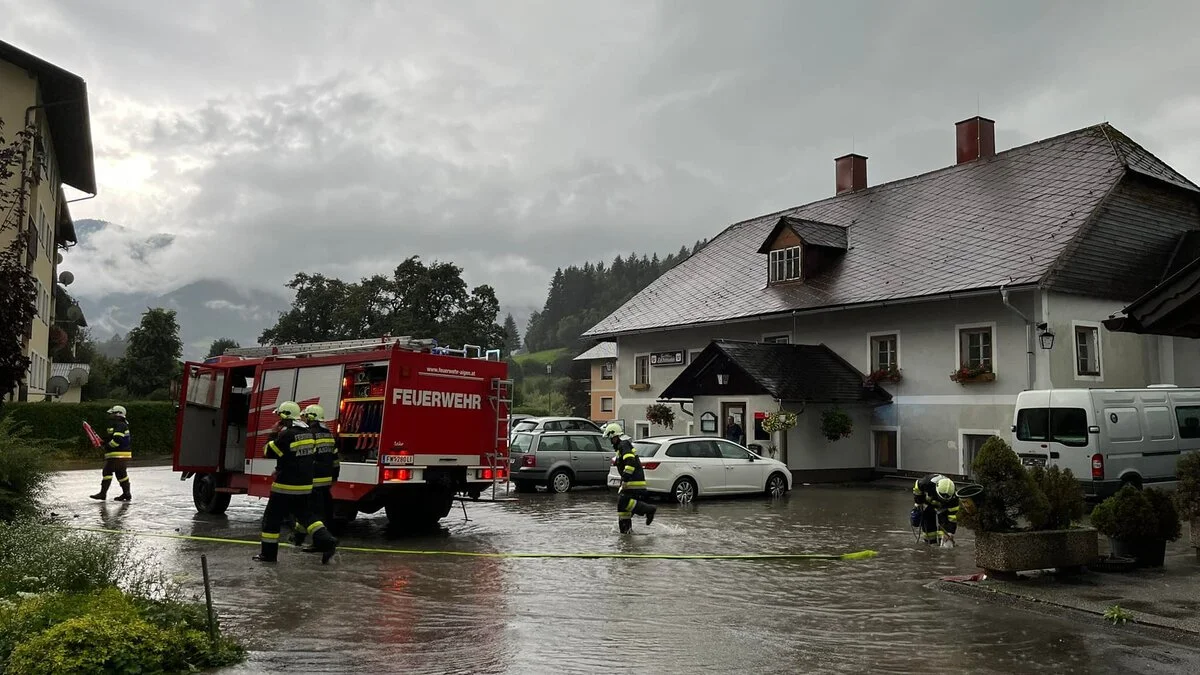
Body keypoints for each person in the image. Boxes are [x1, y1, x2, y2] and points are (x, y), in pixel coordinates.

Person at [256, 401, 338, 564]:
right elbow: (305, 457)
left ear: (285, 417)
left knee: (271, 521)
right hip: (305, 485)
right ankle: (327, 541)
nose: (278, 421)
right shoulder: (308, 433)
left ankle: (268, 555)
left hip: (284, 487)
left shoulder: (287, 435)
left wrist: (273, 433)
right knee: (307, 517)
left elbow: (268, 452)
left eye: (279, 417)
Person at [292, 404, 339, 549]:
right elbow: (335, 460)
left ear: (311, 417)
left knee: (312, 512)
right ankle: (298, 537)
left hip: (312, 480)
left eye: (305, 416)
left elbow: (304, 458)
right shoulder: (329, 434)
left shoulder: (309, 434)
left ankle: (320, 543)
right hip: (326, 481)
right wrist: (334, 477)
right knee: (315, 510)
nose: (303, 418)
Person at [602, 422, 656, 534]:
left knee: (624, 503)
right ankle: (626, 533)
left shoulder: (624, 445)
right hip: (629, 482)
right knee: (622, 508)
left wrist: (626, 477)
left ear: (614, 436)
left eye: (610, 438)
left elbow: (630, 461)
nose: (610, 441)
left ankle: (649, 510)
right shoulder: (621, 447)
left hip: (634, 483)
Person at [90, 405, 132, 502]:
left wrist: (107, 446)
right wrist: (103, 442)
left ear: (118, 414)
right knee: (121, 473)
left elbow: (117, 440)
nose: (110, 415)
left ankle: (102, 494)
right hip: (121, 454)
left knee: (107, 471)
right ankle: (127, 494)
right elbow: (111, 438)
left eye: (112, 413)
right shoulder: (118, 424)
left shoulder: (120, 425)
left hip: (118, 454)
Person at [912, 474, 960, 546]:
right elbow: (917, 487)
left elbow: (953, 517)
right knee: (927, 524)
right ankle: (930, 544)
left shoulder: (954, 498)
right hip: (928, 504)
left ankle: (943, 543)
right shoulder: (926, 482)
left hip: (944, 508)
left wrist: (950, 533)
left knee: (945, 534)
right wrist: (918, 503)